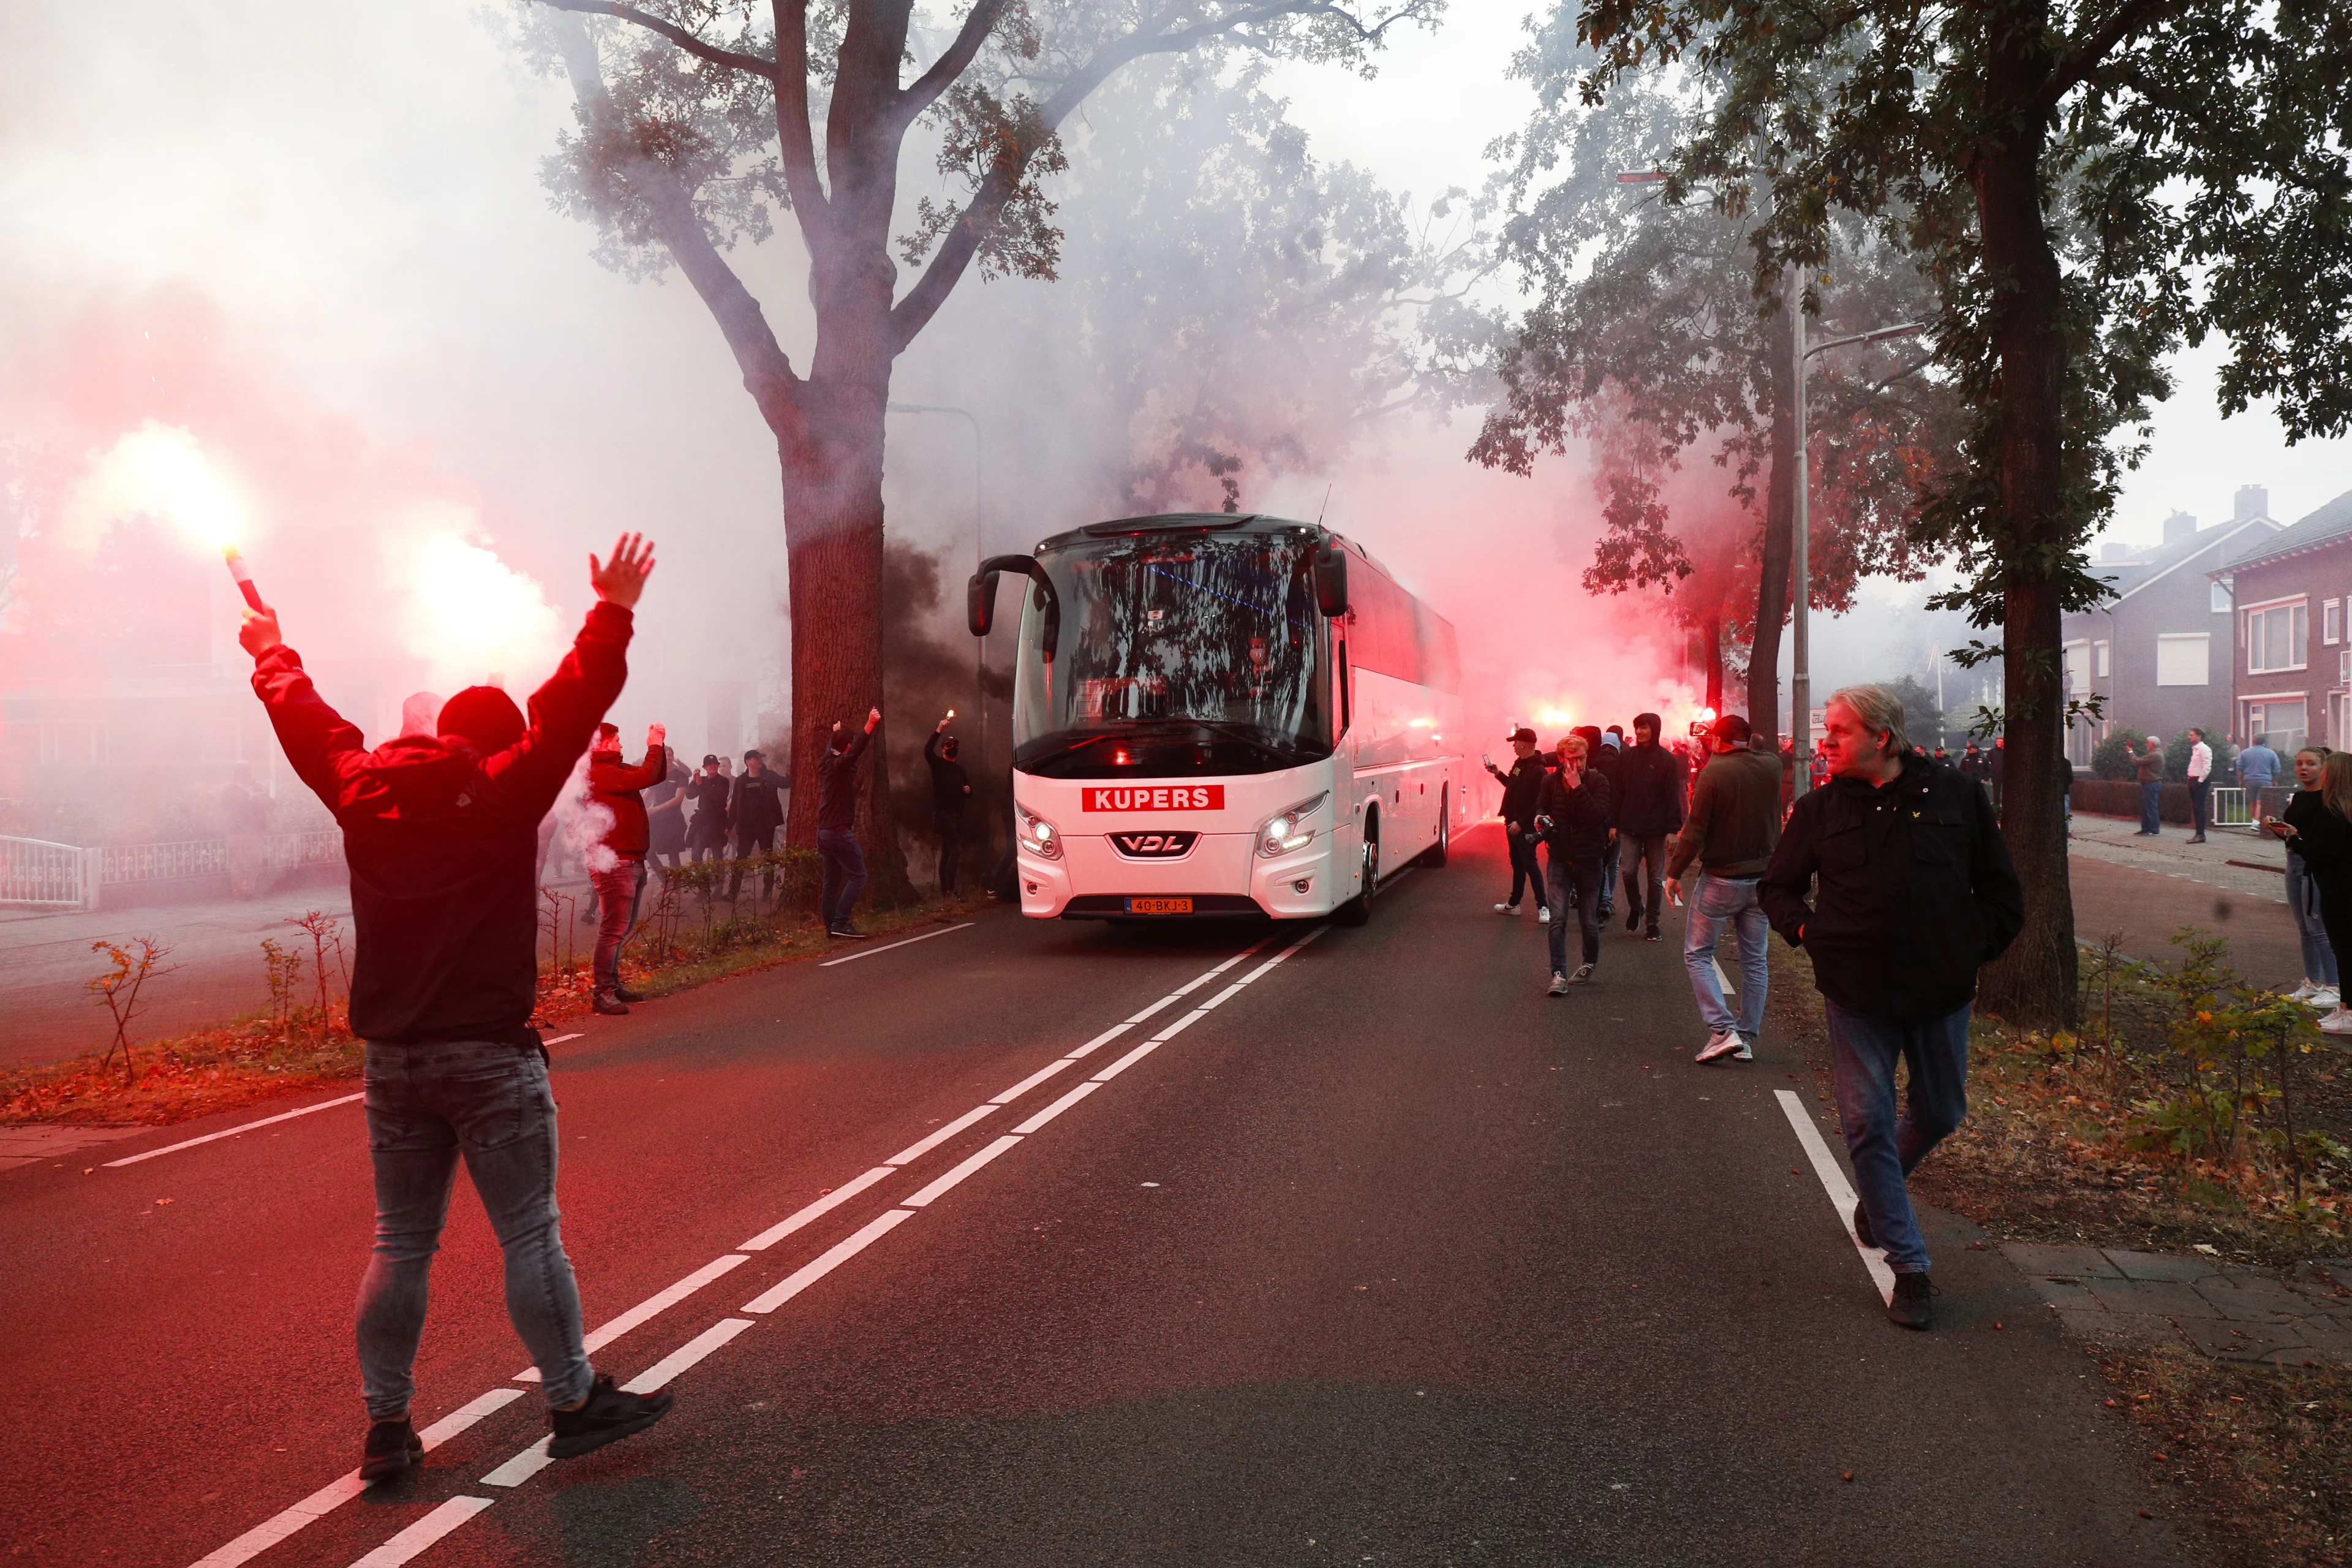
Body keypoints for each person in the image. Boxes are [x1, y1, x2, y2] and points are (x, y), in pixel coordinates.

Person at [238, 532, 674, 1483]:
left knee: (402, 1241)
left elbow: (307, 721)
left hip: (393, 1061)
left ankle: (387, 1431)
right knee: (529, 1233)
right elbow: (571, 706)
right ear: (493, 738)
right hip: (487, 1054)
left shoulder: (360, 785)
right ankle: (572, 1401)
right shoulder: (500, 790)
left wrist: (270, 649)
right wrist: (610, 608)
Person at [1760, 684, 2023, 1330]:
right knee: (1866, 1123)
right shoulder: (1817, 810)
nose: (1824, 741)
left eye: (1839, 730)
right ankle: (1910, 1268)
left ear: (1882, 736)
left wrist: (1970, 948)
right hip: (1857, 992)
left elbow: (2001, 889)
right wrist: (1807, 933)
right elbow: (1778, 887)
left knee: (1940, 1110)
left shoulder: (1958, 796)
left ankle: (1878, 1201)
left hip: (1941, 990)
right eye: (1826, 729)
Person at [1666, 714, 1782, 1063]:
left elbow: (1696, 827)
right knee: (1755, 961)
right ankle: (1745, 1038)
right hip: (1762, 877)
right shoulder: (1773, 766)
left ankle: (1721, 1030)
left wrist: (1674, 872)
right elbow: (1756, 756)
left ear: (1718, 741)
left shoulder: (1713, 772)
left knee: (1698, 953)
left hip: (1721, 878)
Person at [585, 721, 668, 1015]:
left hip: (629, 858)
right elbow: (646, 774)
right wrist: (654, 745)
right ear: (602, 745)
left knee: (620, 929)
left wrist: (658, 749)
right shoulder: (599, 772)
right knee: (613, 930)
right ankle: (602, 992)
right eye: (616, 740)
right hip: (615, 861)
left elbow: (654, 776)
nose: (621, 744)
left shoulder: (614, 769)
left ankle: (612, 985)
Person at [2266, 751, 2352, 1035]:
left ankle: (2343, 1002)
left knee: (2335, 941)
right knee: (2321, 935)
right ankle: (2340, 1002)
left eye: (2320, 766)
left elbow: (2323, 852)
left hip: (2334, 884)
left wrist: (2294, 840)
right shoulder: (2338, 808)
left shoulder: (2334, 810)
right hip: (2332, 880)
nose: (2314, 771)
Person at [1532, 733, 1614, 991]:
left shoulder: (1598, 781)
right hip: (1560, 858)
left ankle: (1589, 962)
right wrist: (1539, 818)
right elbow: (1542, 806)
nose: (1577, 764)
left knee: (1588, 919)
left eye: (1581, 758)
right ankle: (1558, 974)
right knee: (1558, 918)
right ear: (1560, 759)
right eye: (1572, 759)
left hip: (1590, 859)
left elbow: (1599, 817)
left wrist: (1578, 787)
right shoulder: (1549, 781)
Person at [1614, 712, 1684, 940]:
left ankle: (1653, 923)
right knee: (1628, 872)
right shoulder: (1626, 757)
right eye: (1637, 728)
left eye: (1644, 727)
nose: (1639, 732)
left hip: (1656, 828)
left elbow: (1672, 796)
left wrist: (1673, 830)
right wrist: (1613, 823)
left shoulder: (1667, 760)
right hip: (1629, 825)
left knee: (1655, 878)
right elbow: (1618, 793)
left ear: (1655, 729)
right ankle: (1636, 907)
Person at [819, 707, 881, 938]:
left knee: (831, 882)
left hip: (824, 831)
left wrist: (834, 734)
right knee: (859, 875)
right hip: (838, 832)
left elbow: (834, 750)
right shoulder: (839, 764)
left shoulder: (827, 761)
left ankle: (830, 927)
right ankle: (841, 922)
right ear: (844, 749)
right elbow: (854, 752)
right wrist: (869, 727)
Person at [1484, 727, 1551, 919]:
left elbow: (1539, 802)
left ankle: (1543, 908)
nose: (1513, 746)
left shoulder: (1539, 770)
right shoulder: (1519, 765)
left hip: (1524, 826)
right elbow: (1512, 787)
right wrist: (1498, 774)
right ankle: (1514, 904)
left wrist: (1521, 823)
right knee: (1518, 864)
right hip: (1511, 822)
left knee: (1530, 864)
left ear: (1523, 744)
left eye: (1515, 742)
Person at [726, 749, 788, 903]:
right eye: (757, 758)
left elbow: (786, 784)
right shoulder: (741, 781)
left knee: (767, 857)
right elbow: (735, 804)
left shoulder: (770, 776)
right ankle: (733, 892)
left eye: (761, 758)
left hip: (766, 825)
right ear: (748, 761)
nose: (760, 760)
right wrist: (730, 825)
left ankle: (767, 891)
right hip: (747, 827)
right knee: (741, 859)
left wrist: (789, 771)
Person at [924, 714, 973, 894]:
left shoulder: (960, 770)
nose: (953, 748)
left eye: (955, 746)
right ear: (943, 749)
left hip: (956, 816)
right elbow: (927, 751)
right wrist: (939, 730)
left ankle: (946, 892)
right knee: (956, 850)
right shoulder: (938, 764)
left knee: (947, 853)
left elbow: (967, 789)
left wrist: (968, 791)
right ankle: (951, 891)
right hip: (944, 816)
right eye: (949, 745)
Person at [222, 761, 273, 899]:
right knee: (238, 862)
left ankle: (249, 890)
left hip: (255, 830)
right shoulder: (229, 790)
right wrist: (248, 800)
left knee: (253, 862)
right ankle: (238, 892)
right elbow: (225, 805)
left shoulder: (258, 788)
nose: (247, 775)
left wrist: (259, 800)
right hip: (236, 830)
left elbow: (271, 804)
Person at [1594, 727, 1627, 924]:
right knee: (1614, 862)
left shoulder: (1594, 764)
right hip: (1618, 822)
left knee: (1601, 862)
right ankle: (1609, 900)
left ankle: (1604, 899)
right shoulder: (1623, 767)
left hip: (1599, 821)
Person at [644, 752, 690, 870]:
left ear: (673, 756)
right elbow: (645, 796)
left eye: (670, 755)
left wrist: (655, 809)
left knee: (673, 856)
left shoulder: (681, 776)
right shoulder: (657, 775)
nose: (668, 758)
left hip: (673, 821)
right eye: (665, 755)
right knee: (648, 851)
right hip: (656, 821)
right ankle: (665, 880)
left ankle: (676, 885)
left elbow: (678, 799)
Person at [686, 755, 731, 864]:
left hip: (717, 822)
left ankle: (718, 880)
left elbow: (717, 800)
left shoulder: (723, 781)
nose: (713, 767)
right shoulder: (703, 780)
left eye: (715, 764)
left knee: (717, 856)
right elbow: (690, 795)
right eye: (710, 765)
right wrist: (693, 782)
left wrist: (701, 785)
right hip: (702, 822)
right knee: (696, 855)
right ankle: (702, 879)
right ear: (705, 767)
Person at [2238, 732, 2281, 812]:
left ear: (2253, 741)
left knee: (2252, 802)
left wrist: (2240, 781)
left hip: (2249, 780)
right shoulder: (2271, 753)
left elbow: (2240, 769)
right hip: (2265, 780)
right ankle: (2256, 822)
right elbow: (2277, 769)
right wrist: (2275, 781)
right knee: (2260, 802)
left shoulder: (2244, 753)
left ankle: (2254, 821)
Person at [2185, 726, 2215, 842]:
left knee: (2200, 807)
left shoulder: (2204, 749)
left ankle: (2201, 834)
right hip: (2193, 779)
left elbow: (2207, 766)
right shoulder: (2196, 749)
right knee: (2196, 807)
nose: (2190, 737)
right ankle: (2198, 833)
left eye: (2192, 735)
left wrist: (2200, 781)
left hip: (2199, 781)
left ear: (2199, 736)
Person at [2134, 735, 2165, 835]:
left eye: (2148, 743)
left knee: (2151, 807)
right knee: (2147, 807)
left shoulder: (2155, 755)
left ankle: (2154, 830)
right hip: (2149, 784)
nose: (2146, 745)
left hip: (2152, 784)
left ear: (2153, 744)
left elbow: (2137, 762)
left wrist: (2130, 753)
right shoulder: (2156, 754)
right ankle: (2146, 829)